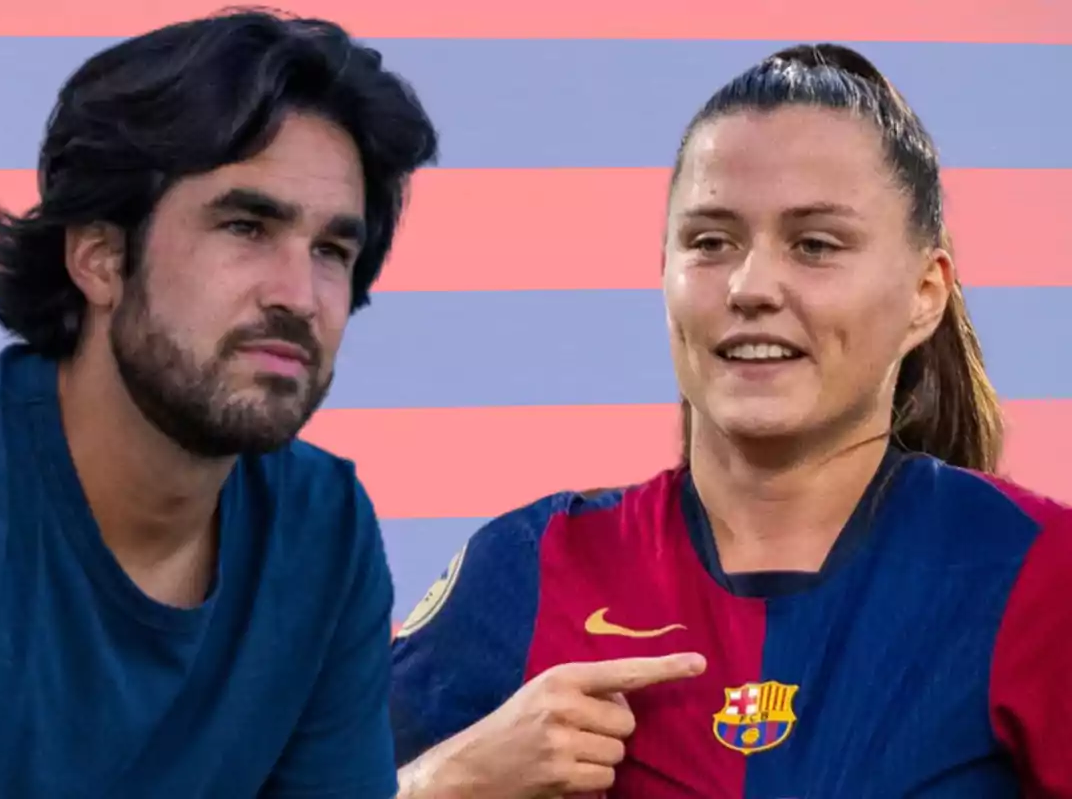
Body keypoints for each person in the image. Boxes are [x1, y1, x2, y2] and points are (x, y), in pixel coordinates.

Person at [391, 43, 1072, 798]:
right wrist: (440, 784)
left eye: (815, 244)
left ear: (924, 293)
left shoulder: (1042, 576)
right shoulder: (529, 567)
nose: (751, 287)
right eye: (711, 242)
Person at [0, 9, 437, 798]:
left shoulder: (323, 528)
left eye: (331, 251)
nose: (299, 295)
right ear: (101, 257)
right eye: (246, 226)